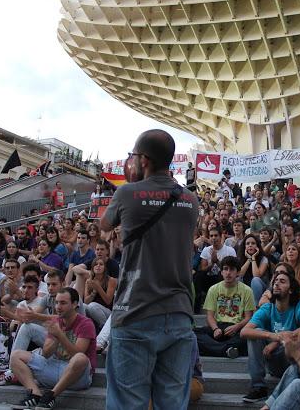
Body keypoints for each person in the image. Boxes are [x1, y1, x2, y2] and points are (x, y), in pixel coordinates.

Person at [100, 129, 199, 410]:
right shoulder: (190, 200)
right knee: (172, 403)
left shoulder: (128, 193)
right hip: (179, 313)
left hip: (136, 311)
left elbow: (104, 226)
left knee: (127, 403)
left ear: (143, 160)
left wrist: (133, 182)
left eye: (133, 156)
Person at [10, 288, 96, 409]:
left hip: (78, 377)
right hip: (55, 367)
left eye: (63, 303)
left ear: (75, 304)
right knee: (16, 355)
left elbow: (77, 354)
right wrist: (55, 338)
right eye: (56, 302)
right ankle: (35, 394)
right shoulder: (56, 321)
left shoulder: (86, 323)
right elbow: (46, 354)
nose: (58, 307)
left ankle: (51, 395)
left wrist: (60, 335)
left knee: (81, 358)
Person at [240, 271, 300, 403]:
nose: (276, 284)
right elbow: (244, 331)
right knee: (255, 333)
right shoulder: (268, 308)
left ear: (291, 290)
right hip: (275, 361)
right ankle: (259, 388)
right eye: (275, 281)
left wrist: (279, 340)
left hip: (295, 360)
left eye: (282, 281)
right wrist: (273, 336)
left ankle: (299, 382)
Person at [195, 256, 254, 358]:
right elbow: (209, 316)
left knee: (248, 336)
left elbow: (249, 317)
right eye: (225, 269)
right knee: (193, 333)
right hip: (218, 327)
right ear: (221, 272)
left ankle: (214, 349)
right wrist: (215, 329)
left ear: (238, 272)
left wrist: (237, 327)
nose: (228, 272)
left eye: (232, 269)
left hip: (236, 329)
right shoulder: (213, 289)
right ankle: (226, 350)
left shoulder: (247, 290)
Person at [194, 227, 237, 312]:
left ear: (221, 236)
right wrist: (212, 264)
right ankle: (197, 307)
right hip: (209, 279)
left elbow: (231, 270)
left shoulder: (229, 250)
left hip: (223, 279)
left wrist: (217, 261)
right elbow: (203, 269)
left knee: (222, 275)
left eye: (216, 235)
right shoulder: (206, 250)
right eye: (211, 236)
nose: (213, 238)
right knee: (198, 275)